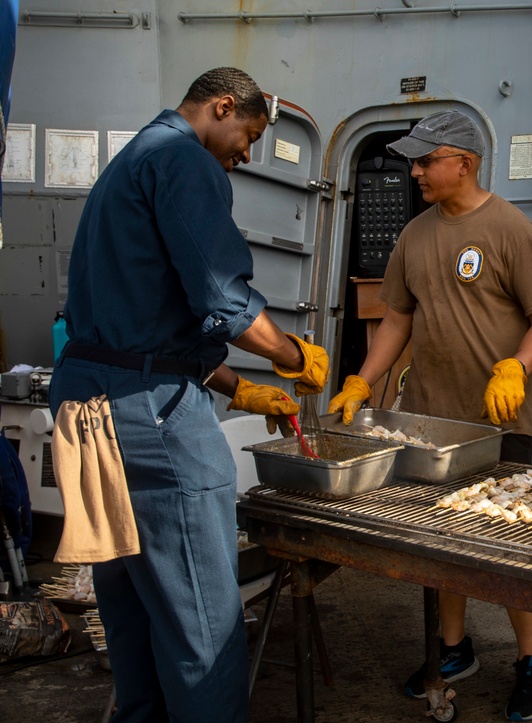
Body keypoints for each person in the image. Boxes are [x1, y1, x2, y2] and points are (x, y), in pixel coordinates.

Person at [49, 67, 329, 722]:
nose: (247, 154)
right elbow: (224, 300)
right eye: (249, 134)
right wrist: (293, 357)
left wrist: (242, 389)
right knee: (201, 625)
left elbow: (140, 324)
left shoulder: (129, 163)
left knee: (133, 608)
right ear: (223, 107)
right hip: (149, 417)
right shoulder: (185, 160)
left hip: (84, 411)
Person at [328, 109, 532, 721]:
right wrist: (362, 378)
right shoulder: (416, 235)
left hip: (499, 422)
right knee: (437, 543)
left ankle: (530, 659)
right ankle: (454, 649)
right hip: (430, 423)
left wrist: (516, 366)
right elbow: (397, 319)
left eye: (425, 160)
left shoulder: (510, 229)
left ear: (464, 162)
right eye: (414, 161)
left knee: (509, 547)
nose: (414, 172)